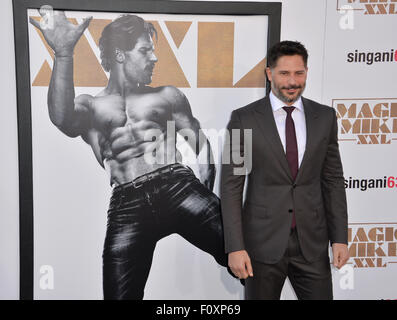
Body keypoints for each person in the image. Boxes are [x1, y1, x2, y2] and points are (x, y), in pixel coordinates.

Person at [30, 11, 229, 300]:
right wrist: (63, 55)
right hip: (127, 203)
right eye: (145, 50)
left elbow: (200, 143)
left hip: (177, 186)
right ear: (120, 55)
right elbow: (61, 118)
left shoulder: (167, 96)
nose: (154, 58)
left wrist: (202, 197)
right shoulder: (91, 106)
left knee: (248, 253)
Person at [221, 41, 349, 300]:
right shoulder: (243, 119)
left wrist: (340, 238)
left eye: (299, 73)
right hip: (262, 245)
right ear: (270, 74)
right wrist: (235, 247)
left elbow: (333, 180)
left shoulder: (325, 117)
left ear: (306, 72)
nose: (292, 81)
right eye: (284, 73)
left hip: (311, 244)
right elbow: (232, 186)